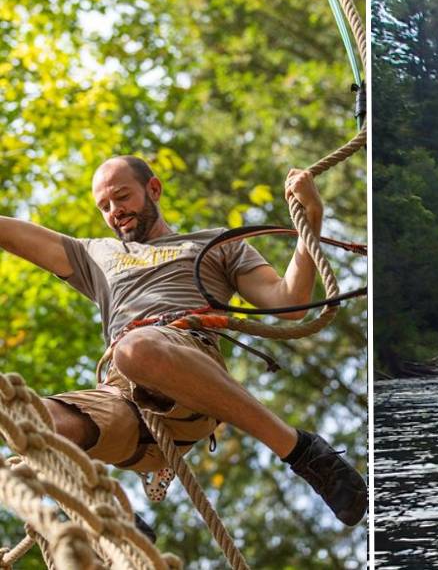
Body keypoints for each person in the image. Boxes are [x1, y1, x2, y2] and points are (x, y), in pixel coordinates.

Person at [0, 156, 366, 527]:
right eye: (105, 206)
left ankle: (303, 452)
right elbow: (9, 233)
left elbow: (288, 303)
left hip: (184, 372)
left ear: (153, 189)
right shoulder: (93, 255)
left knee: (136, 349)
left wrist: (311, 220)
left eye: (122, 197)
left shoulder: (217, 244)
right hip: (121, 399)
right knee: (23, 419)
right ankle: (109, 514)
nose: (115, 211)